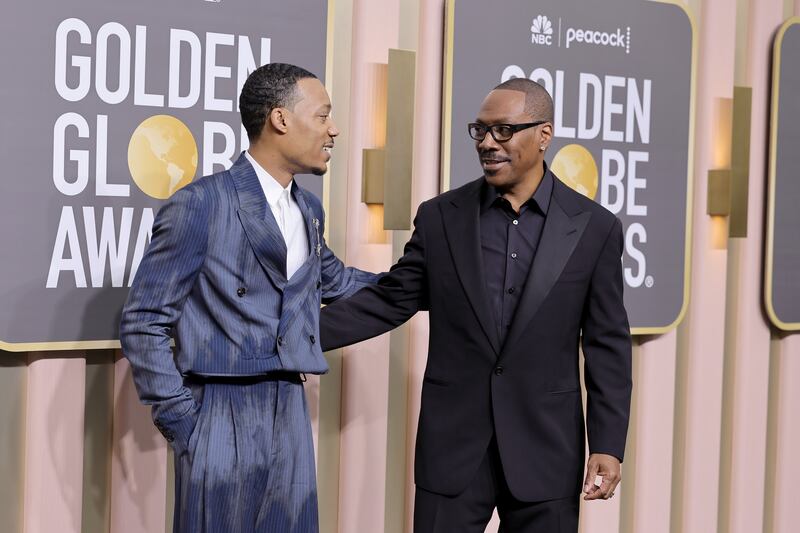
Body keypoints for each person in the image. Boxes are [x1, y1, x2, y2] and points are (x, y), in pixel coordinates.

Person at [319, 78, 632, 532]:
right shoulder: (440, 216)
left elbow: (607, 344)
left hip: (547, 450)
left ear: (543, 135)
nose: (487, 143)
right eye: (480, 131)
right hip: (453, 449)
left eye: (503, 131)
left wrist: (607, 444)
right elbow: (391, 300)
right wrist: (293, 336)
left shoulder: (595, 228)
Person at [120, 63, 378, 533]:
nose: (334, 130)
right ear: (280, 119)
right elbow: (143, 319)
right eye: (323, 117)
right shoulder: (202, 203)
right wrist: (184, 421)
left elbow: (337, 282)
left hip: (290, 407)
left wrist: (430, 279)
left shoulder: (309, 208)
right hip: (218, 407)